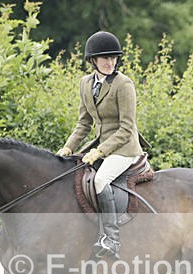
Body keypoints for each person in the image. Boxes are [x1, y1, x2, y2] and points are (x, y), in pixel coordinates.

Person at [56, 30, 149, 259]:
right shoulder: (85, 84)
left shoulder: (123, 84)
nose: (110, 62)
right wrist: (67, 148)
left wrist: (100, 151)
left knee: (100, 180)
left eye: (113, 58)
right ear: (93, 61)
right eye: (105, 58)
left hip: (125, 148)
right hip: (100, 146)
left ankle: (111, 239)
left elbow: (127, 128)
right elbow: (84, 123)